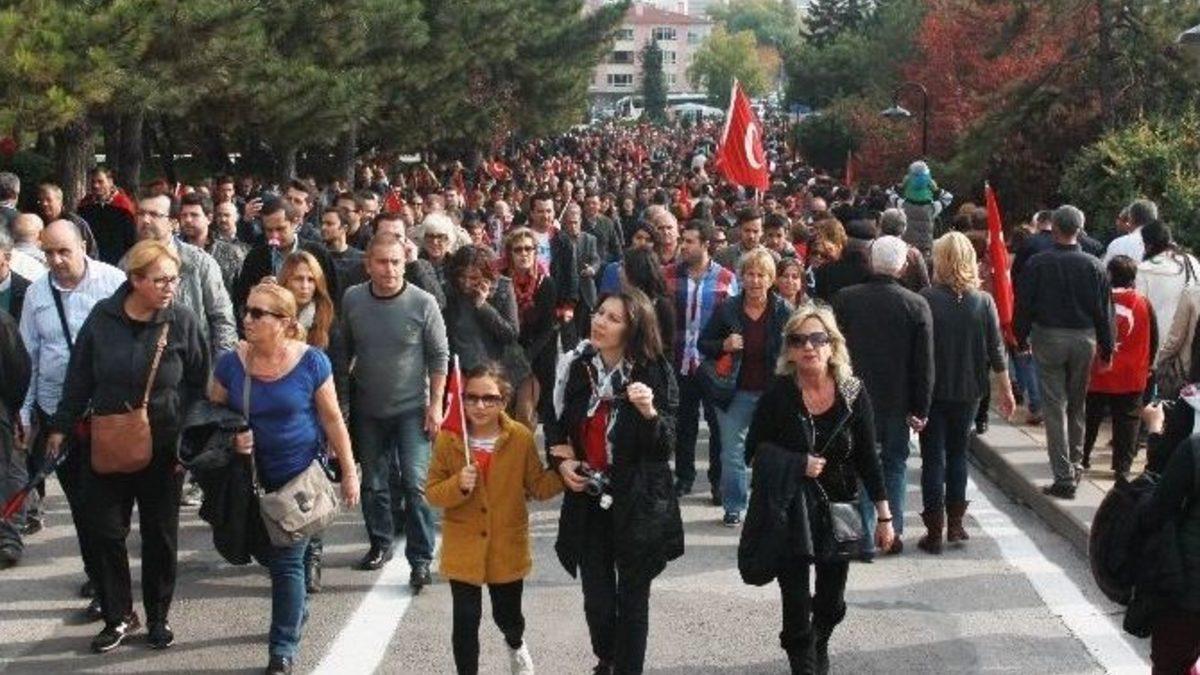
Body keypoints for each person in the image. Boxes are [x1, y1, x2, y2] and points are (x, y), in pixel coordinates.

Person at [47, 240, 210, 653]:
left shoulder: (183, 321)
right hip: (108, 440)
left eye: (174, 279)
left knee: (160, 534)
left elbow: (199, 384)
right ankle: (118, 614)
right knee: (104, 530)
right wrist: (60, 427)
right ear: (135, 280)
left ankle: (158, 617)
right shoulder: (102, 318)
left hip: (164, 446)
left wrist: (190, 441)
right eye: (161, 280)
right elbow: (79, 377)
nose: (170, 287)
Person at [210, 282, 358, 675]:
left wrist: (348, 471)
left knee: (286, 563)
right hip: (251, 480)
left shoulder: (312, 362)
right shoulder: (230, 364)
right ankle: (297, 609)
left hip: (299, 479)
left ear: (285, 322)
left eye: (258, 313)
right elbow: (211, 414)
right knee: (273, 555)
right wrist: (231, 437)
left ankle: (282, 650)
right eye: (246, 310)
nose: (248, 319)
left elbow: (332, 419)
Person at [743, 304, 893, 674]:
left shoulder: (852, 392)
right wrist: (798, 464)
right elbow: (753, 453)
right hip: (792, 508)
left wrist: (884, 516)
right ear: (790, 351)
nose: (808, 347)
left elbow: (868, 458)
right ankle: (805, 661)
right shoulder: (779, 394)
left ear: (832, 345)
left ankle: (819, 639)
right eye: (798, 340)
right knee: (795, 605)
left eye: (817, 339)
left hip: (840, 504)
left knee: (831, 603)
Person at [546, 288, 681, 675]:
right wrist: (562, 464)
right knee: (598, 601)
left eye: (613, 318)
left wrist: (649, 412)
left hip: (637, 499)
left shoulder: (653, 371)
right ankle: (608, 657)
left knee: (634, 601)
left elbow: (667, 443)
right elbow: (555, 424)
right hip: (589, 497)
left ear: (632, 329)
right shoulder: (576, 365)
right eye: (600, 313)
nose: (600, 322)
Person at [426, 363, 563, 675]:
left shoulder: (520, 438)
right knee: (465, 619)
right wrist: (458, 484)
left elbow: (537, 486)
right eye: (472, 398)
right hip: (463, 546)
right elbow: (432, 493)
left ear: (504, 400)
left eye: (489, 398)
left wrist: (565, 473)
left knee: (508, 616)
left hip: (506, 545)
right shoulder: (449, 438)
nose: (479, 405)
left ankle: (515, 643)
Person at [18, 219, 126, 616]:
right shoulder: (36, 294)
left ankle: (113, 581)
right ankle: (98, 578)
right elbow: (29, 357)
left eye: (64, 251)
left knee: (107, 507)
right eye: (48, 253)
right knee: (81, 504)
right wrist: (26, 415)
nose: (56, 260)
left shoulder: (113, 282)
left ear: (83, 245)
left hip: (106, 415)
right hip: (57, 418)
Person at [332, 233, 447, 587]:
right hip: (369, 408)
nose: (389, 269)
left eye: (396, 262)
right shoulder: (353, 299)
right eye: (381, 262)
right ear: (368, 265)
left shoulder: (423, 302)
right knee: (375, 484)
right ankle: (380, 543)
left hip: (413, 409)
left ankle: (421, 559)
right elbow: (343, 351)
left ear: (404, 264)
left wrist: (436, 405)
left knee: (416, 485)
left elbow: (439, 356)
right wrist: (343, 406)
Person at [832, 235, 934, 555]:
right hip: (897, 398)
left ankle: (861, 536)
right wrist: (921, 407)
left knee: (855, 463)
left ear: (870, 262)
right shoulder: (915, 304)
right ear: (903, 267)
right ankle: (893, 531)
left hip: (852, 394)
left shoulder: (845, 299)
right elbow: (924, 363)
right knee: (894, 464)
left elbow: (833, 351)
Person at [917, 233, 1015, 553]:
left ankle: (933, 530)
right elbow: (996, 350)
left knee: (933, 457)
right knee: (959, 453)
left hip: (933, 390)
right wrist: (1006, 389)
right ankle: (956, 524)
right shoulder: (983, 301)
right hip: (970, 388)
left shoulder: (926, 298)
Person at [1014, 205, 1113, 500]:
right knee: (1077, 404)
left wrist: (1020, 337)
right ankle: (1077, 463)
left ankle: (1063, 475)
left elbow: (1024, 303)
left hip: (1048, 336)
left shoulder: (1038, 263)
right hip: (1084, 338)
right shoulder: (1094, 265)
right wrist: (1107, 348)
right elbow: (1104, 312)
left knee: (1054, 407)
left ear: (1054, 228)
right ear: (1079, 230)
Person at [700, 248, 791, 527]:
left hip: (772, 394)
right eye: (749, 274)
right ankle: (734, 506)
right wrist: (723, 345)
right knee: (731, 453)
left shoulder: (783, 310)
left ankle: (773, 506)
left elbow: (796, 349)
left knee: (774, 454)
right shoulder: (728, 308)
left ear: (771, 279)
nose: (755, 280)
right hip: (734, 392)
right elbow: (703, 344)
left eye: (761, 275)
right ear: (741, 277)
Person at [278, 251, 339, 593]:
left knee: (313, 487)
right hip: (281, 413)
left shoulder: (327, 318)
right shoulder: (272, 314)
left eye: (310, 279)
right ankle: (286, 552)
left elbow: (341, 372)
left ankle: (312, 558)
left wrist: (338, 426)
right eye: (297, 278)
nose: (304, 285)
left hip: (317, 415)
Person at [664, 219, 738, 501]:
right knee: (684, 423)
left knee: (717, 425)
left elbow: (735, 322)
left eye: (689, 241)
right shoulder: (668, 275)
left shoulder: (726, 279)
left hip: (713, 363)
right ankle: (684, 477)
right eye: (682, 240)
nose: (683, 246)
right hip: (679, 360)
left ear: (706, 244)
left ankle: (717, 482)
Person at [133, 194, 238, 360]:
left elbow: (222, 318)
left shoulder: (199, 262)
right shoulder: (127, 265)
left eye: (154, 214)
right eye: (141, 213)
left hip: (191, 363)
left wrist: (221, 366)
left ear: (173, 223)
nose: (145, 220)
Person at [1137, 402, 1200, 675]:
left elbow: (1155, 511)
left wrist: (1155, 430)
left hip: (1187, 591)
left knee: (1170, 664)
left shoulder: (1194, 449)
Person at [1082, 255, 1155, 479]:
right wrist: (1149, 364)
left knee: (1091, 417)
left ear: (1109, 275)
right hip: (1131, 373)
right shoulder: (1143, 303)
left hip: (1099, 371)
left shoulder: (1098, 300)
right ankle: (1122, 467)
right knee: (1128, 420)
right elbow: (1153, 338)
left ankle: (1082, 456)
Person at [443, 245, 529, 409]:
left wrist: (483, 306)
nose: (466, 283)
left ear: (486, 275)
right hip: (461, 372)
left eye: (473, 278)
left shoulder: (502, 288)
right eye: (462, 276)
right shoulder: (450, 290)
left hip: (495, 373)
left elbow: (511, 334)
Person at [234, 199, 339, 315]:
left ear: (295, 223)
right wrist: (258, 290)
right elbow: (241, 299)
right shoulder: (256, 257)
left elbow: (332, 295)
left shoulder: (317, 253)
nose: (274, 236)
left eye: (280, 229)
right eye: (269, 230)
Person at [504, 228, 558, 428]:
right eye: (518, 249)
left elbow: (548, 328)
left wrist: (527, 356)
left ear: (536, 251)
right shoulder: (501, 282)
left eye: (529, 248)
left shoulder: (546, 283)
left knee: (524, 415)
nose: (524, 254)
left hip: (535, 358)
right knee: (503, 415)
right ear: (510, 253)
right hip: (506, 356)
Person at [1136, 220, 1199, 343]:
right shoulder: (1191, 262)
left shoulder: (1143, 270)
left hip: (1156, 339)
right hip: (1189, 338)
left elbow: (1139, 311)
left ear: (1148, 245)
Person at [0, 309, 30, 569]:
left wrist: (10, 410)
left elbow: (18, 371)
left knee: (5, 475)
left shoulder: (2, 322)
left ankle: (8, 539)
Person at [178, 192, 245, 297]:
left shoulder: (230, 253)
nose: (187, 220)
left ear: (209, 218)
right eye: (184, 215)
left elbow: (241, 294)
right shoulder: (173, 252)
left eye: (194, 215)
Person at [620, 247, 676, 367]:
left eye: (623, 267)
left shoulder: (662, 306)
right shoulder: (622, 301)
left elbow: (667, 346)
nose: (620, 271)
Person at [76, 167, 138, 266]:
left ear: (110, 182)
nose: (95, 185)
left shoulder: (124, 206)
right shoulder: (85, 206)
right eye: (93, 182)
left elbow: (131, 240)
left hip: (118, 262)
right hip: (91, 262)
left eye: (100, 182)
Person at [1103, 199, 1155, 264]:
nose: (1117, 222)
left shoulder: (1119, 244)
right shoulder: (1165, 248)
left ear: (1131, 218)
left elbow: (1105, 269)